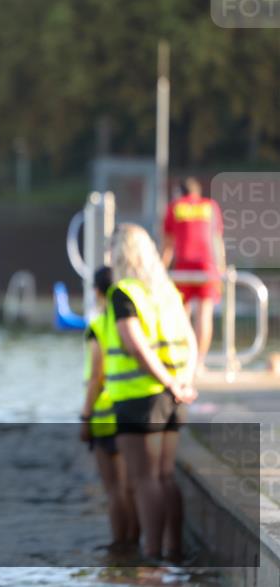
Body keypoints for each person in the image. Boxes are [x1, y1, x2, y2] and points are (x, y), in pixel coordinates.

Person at [107, 223, 198, 562]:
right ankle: (174, 551)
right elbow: (190, 340)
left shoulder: (124, 293)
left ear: (120, 254)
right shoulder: (167, 291)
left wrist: (168, 382)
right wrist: (183, 381)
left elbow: (135, 344)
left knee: (144, 479)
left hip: (140, 398)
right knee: (165, 476)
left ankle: (151, 557)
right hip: (174, 397)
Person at [79, 266, 138, 554]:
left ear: (97, 292)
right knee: (132, 487)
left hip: (104, 416)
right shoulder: (135, 319)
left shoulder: (99, 325)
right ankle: (137, 544)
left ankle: (120, 546)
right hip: (131, 410)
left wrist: (85, 417)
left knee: (114, 489)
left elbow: (95, 377)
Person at [162, 177, 225, 373]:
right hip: (208, 266)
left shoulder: (175, 206)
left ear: (180, 192)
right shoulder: (210, 206)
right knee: (204, 316)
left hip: (184, 266)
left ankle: (182, 360)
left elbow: (168, 246)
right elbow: (217, 241)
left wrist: (160, 270)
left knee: (181, 315)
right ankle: (199, 363)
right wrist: (221, 268)